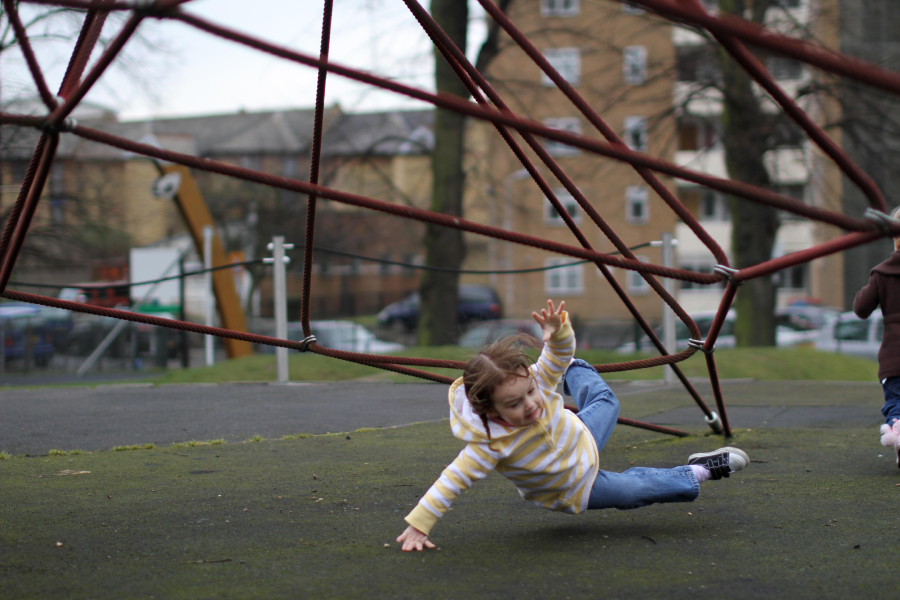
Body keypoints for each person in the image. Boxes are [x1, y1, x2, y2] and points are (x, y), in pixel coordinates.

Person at [396, 299, 750, 551]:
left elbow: (555, 357)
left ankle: (579, 370)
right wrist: (418, 526)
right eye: (514, 404)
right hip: (572, 486)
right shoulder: (489, 444)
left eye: (530, 392)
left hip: (580, 436)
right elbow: (450, 482)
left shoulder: (537, 381)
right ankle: (698, 471)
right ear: (488, 410)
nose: (531, 404)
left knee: (605, 400)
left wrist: (559, 333)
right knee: (632, 492)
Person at [854, 206, 900, 466]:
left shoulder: (882, 272)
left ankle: (898, 430)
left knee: (897, 402)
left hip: (895, 357)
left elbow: (860, 309)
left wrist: (875, 282)